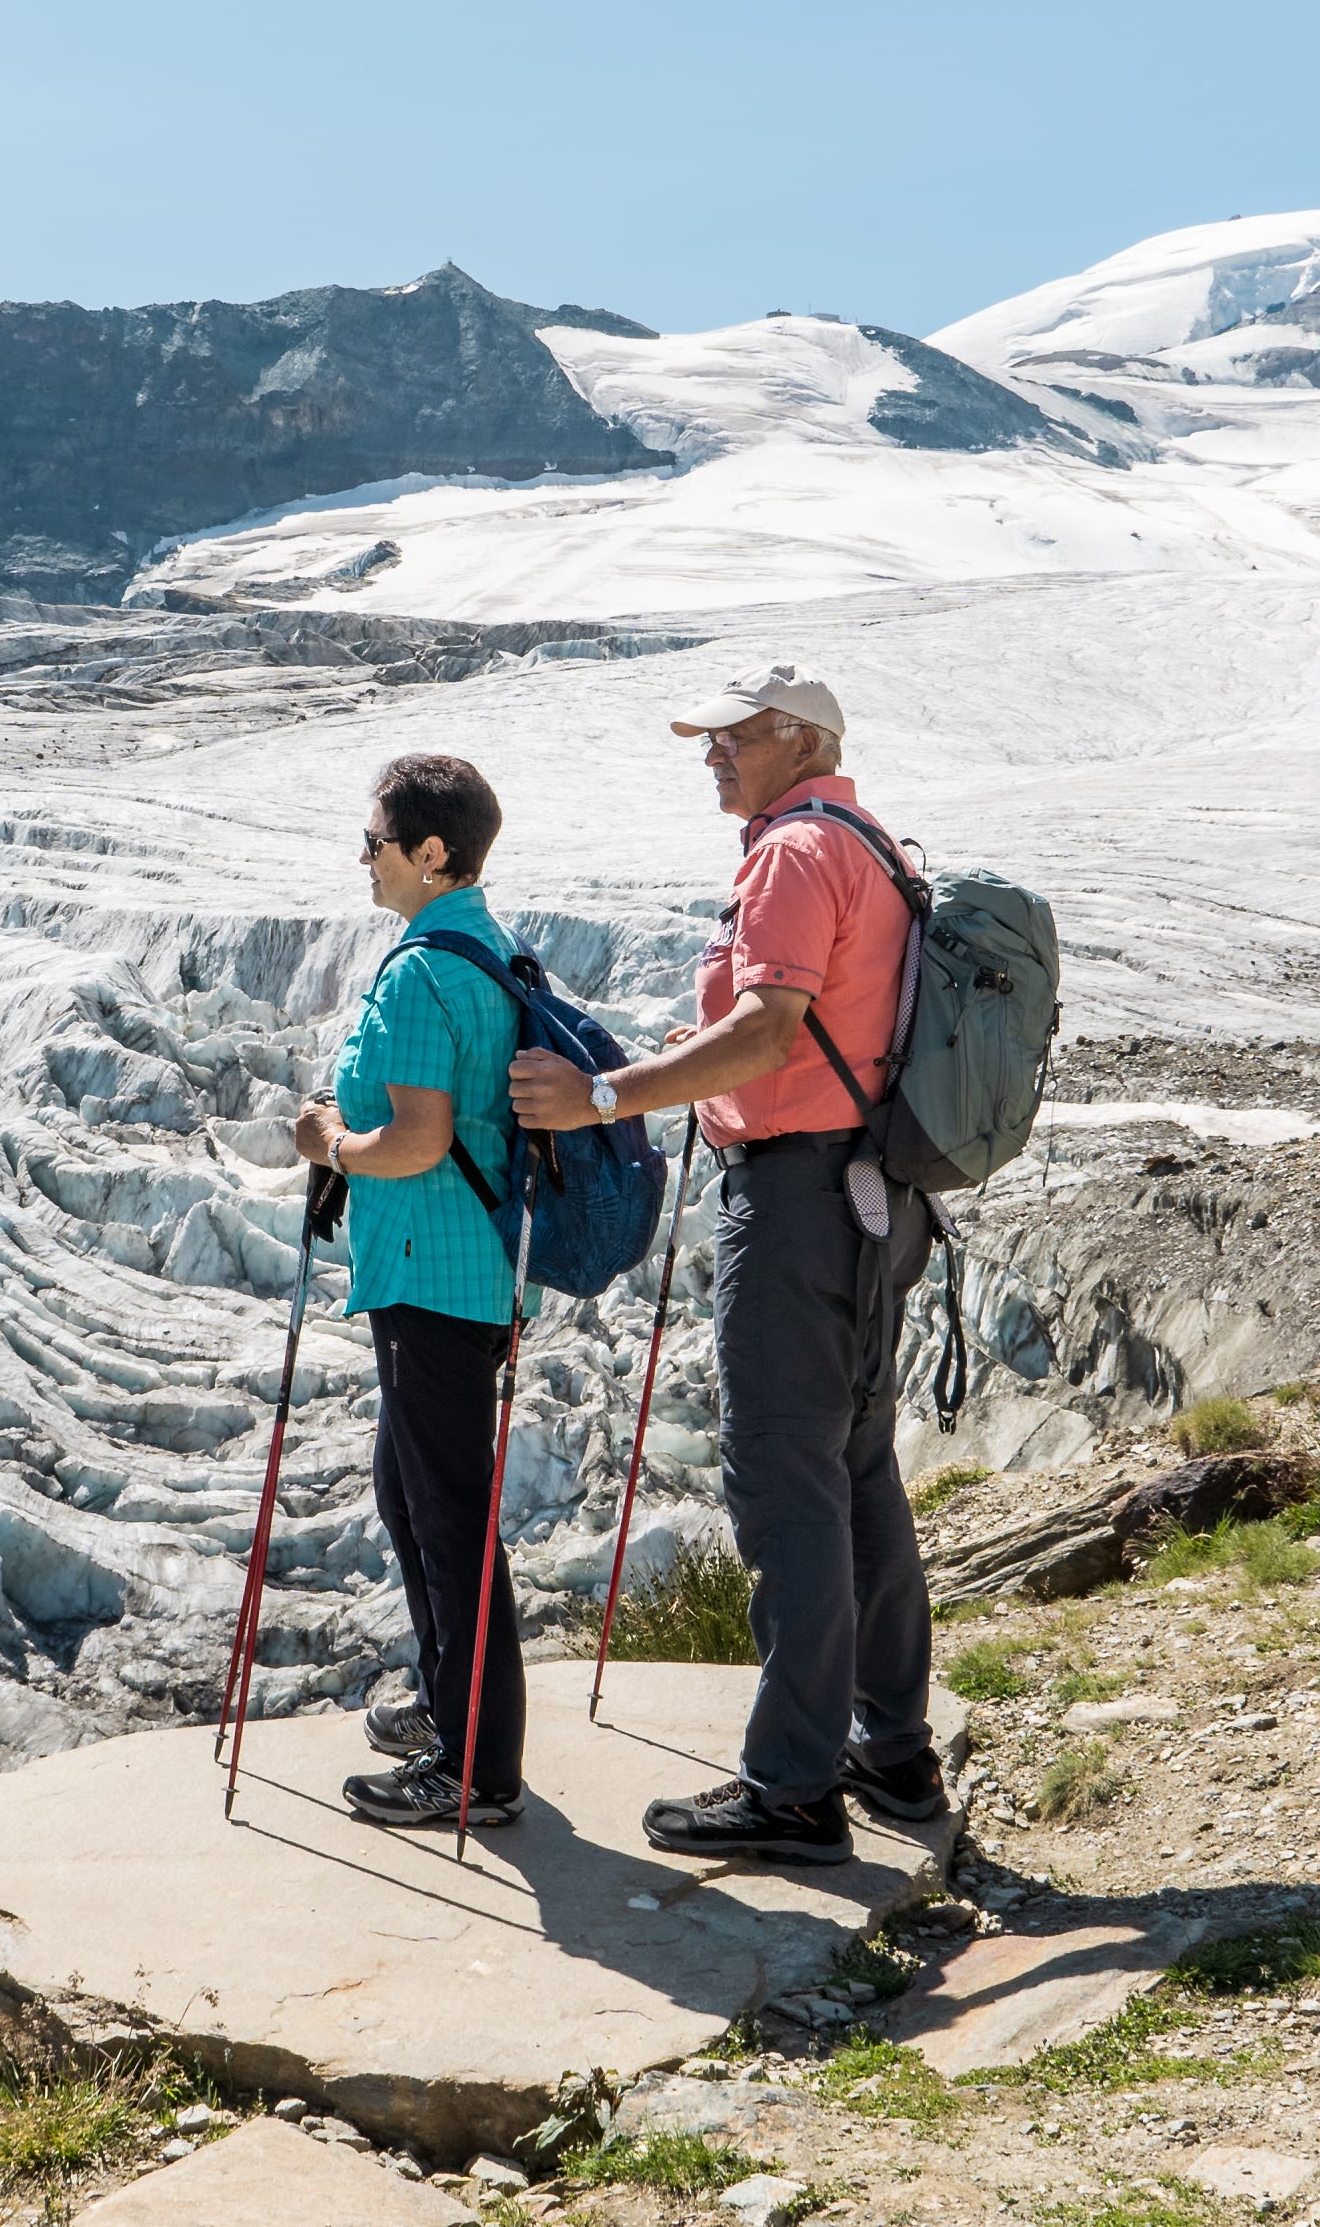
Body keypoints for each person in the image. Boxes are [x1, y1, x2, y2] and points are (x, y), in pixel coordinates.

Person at [508, 665, 939, 1864]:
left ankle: (795, 1788)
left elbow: (766, 1029)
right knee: (851, 1465)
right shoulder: (866, 840)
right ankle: (891, 1749)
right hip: (862, 1192)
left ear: (799, 737)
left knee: (779, 1475)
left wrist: (603, 1095)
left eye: (731, 735)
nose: (710, 753)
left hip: (801, 1198)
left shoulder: (796, 851)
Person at [292, 752, 530, 1831]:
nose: (363, 859)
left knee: (447, 1513)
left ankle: (477, 1767)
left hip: (435, 1275)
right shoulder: (484, 946)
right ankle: (451, 1708)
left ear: (431, 852)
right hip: (464, 1269)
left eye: (376, 841)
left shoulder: (423, 969)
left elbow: (419, 1139)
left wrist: (332, 1141)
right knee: (414, 1491)